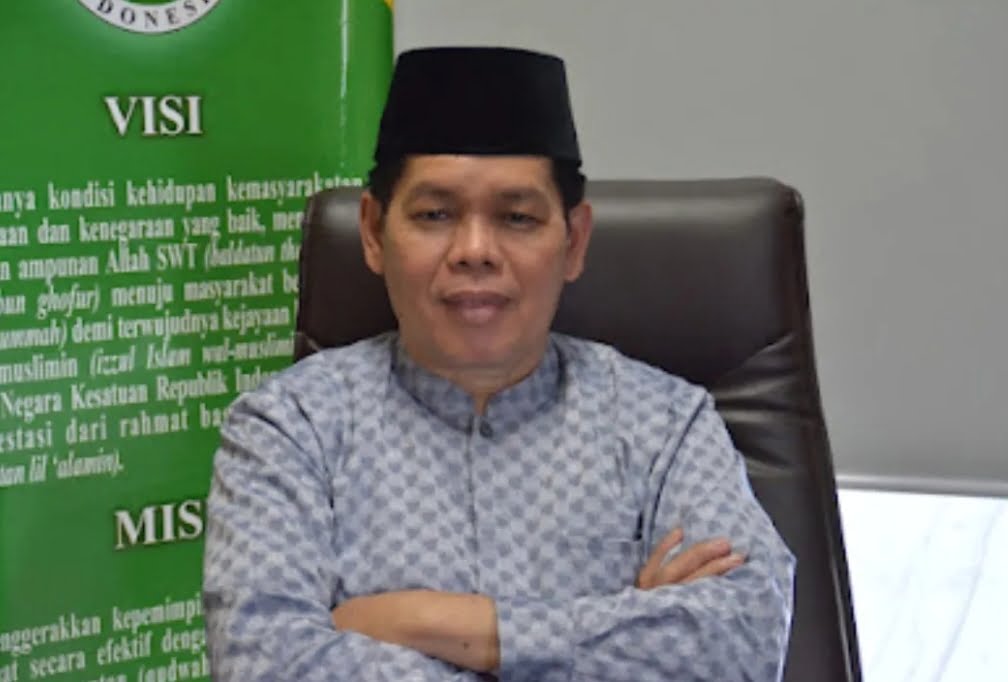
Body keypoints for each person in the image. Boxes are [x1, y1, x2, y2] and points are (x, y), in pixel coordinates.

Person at [203, 47, 795, 681]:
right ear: (373, 232)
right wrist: (621, 629)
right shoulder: (289, 428)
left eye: (517, 218)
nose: (475, 251)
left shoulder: (667, 424)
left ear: (574, 241)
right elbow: (261, 664)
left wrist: (428, 621)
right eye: (435, 215)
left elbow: (745, 640)